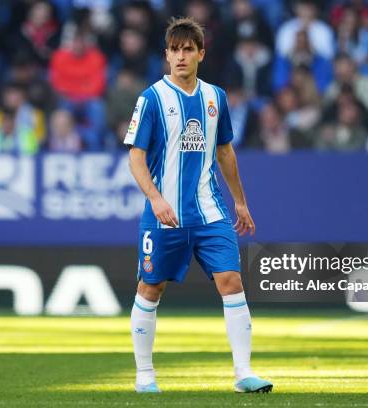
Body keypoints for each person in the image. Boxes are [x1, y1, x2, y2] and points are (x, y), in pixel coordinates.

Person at [124, 17, 272, 394]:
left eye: (188, 49)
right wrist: (155, 199)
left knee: (231, 281)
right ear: (166, 55)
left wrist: (240, 201)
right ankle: (145, 376)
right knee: (150, 289)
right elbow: (136, 158)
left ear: (201, 54)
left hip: (210, 212)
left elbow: (224, 151)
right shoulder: (152, 98)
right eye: (174, 50)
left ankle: (243, 373)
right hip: (165, 216)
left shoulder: (215, 97)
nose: (181, 56)